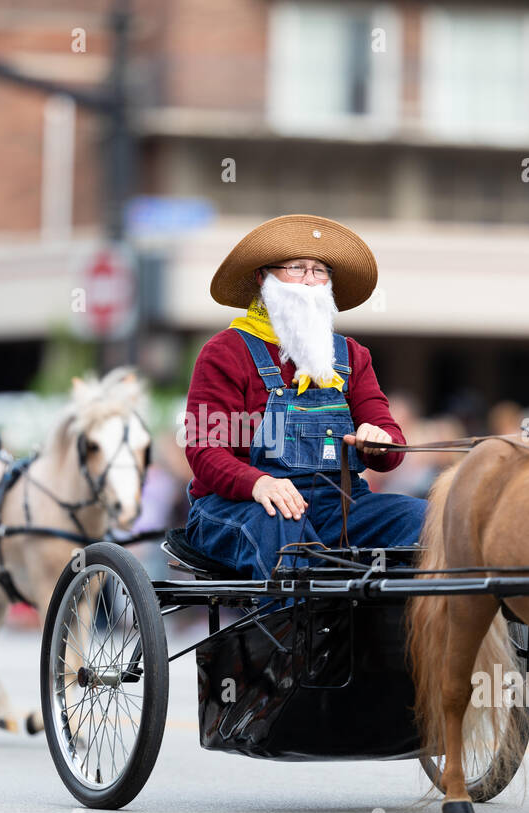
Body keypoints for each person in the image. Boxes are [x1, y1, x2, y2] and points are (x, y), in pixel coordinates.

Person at [182, 213, 427, 579]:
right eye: (297, 268)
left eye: (319, 270)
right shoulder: (224, 351)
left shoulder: (352, 356)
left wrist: (380, 440)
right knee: (283, 524)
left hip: (337, 507)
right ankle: (297, 635)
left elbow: (390, 443)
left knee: (425, 520)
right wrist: (258, 483)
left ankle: (399, 633)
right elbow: (204, 451)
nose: (310, 280)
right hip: (236, 506)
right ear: (262, 278)